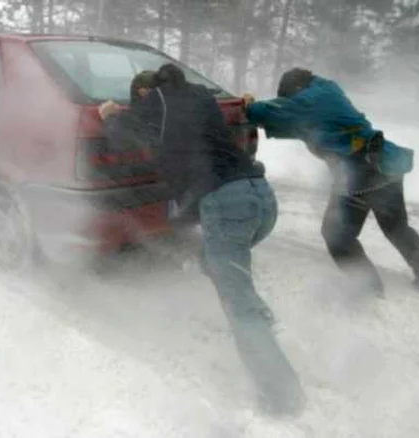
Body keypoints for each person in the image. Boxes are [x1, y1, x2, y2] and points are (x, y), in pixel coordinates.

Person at [99, 65, 306, 417]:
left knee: (236, 303)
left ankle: (282, 398)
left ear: (148, 95)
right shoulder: (199, 95)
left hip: (228, 204)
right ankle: (262, 322)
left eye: (140, 100)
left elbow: (121, 134)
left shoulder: (158, 99)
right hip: (261, 198)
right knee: (214, 262)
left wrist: (111, 115)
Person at [244, 68, 419, 297]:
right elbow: (301, 124)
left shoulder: (313, 98)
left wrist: (248, 107)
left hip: (362, 172)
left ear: (297, 89)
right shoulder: (326, 92)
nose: (290, 101)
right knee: (396, 227)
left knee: (337, 234)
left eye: (290, 97)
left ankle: (366, 286)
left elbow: (279, 111)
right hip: (386, 164)